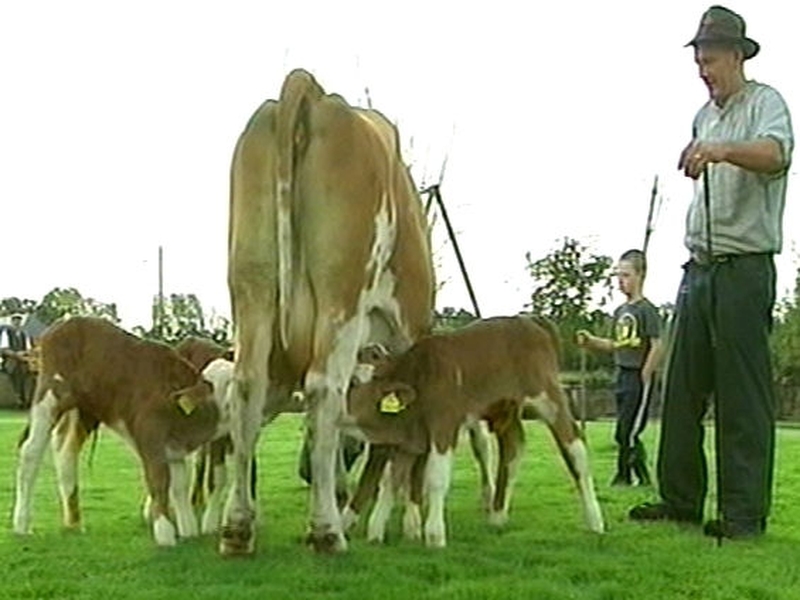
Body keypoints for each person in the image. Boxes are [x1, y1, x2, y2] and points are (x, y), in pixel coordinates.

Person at [629, 5, 794, 539]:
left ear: (738, 56)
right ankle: (680, 500)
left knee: (742, 394)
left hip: (744, 269)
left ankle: (744, 516)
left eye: (712, 58)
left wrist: (722, 150)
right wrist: (703, 145)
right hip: (697, 269)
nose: (704, 69)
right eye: (699, 59)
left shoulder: (765, 103)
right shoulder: (703, 116)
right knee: (681, 387)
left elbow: (774, 154)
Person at [577, 249, 662, 487]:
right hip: (622, 374)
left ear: (640, 275)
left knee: (630, 431)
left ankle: (627, 475)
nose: (620, 281)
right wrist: (591, 341)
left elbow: (658, 344)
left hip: (639, 376)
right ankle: (637, 476)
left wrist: (647, 371)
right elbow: (615, 345)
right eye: (618, 275)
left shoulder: (647, 311)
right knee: (622, 430)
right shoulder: (620, 312)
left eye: (626, 275)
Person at [0, 314, 34, 408]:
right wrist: (16, 355)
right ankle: (18, 398)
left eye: (19, 320)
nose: (17, 322)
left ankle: (27, 399)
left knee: (30, 374)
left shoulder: (24, 334)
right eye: (15, 320)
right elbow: (4, 349)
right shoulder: (7, 332)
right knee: (15, 371)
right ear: (12, 322)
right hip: (11, 360)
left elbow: (29, 349)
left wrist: (24, 354)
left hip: (23, 360)